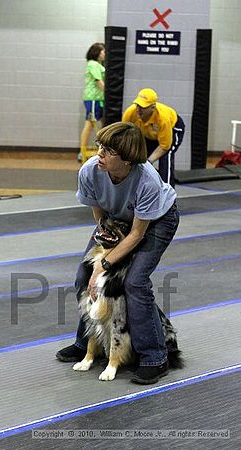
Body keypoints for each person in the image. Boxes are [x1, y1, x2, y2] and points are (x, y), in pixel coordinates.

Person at [56, 121, 180, 385]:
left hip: (156, 221)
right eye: (100, 146)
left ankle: (155, 357)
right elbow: (99, 215)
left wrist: (104, 264)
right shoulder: (90, 170)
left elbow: (137, 235)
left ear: (127, 160)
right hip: (115, 219)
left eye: (108, 151)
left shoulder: (147, 180)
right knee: (82, 276)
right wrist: (104, 244)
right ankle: (86, 344)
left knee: (134, 282)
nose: (99, 153)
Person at [122, 88, 185, 187]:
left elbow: (164, 146)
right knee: (137, 158)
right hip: (148, 134)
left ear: (152, 107)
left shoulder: (163, 119)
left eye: (143, 106)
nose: (138, 109)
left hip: (173, 129)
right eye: (138, 105)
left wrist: (149, 161)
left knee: (165, 158)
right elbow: (125, 135)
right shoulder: (130, 113)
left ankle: (167, 192)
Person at [79, 42, 105, 162]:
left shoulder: (98, 64)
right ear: (97, 53)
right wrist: (109, 93)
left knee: (101, 124)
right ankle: (82, 152)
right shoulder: (93, 64)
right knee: (90, 124)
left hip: (99, 99)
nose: (105, 53)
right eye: (103, 51)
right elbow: (98, 81)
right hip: (94, 98)